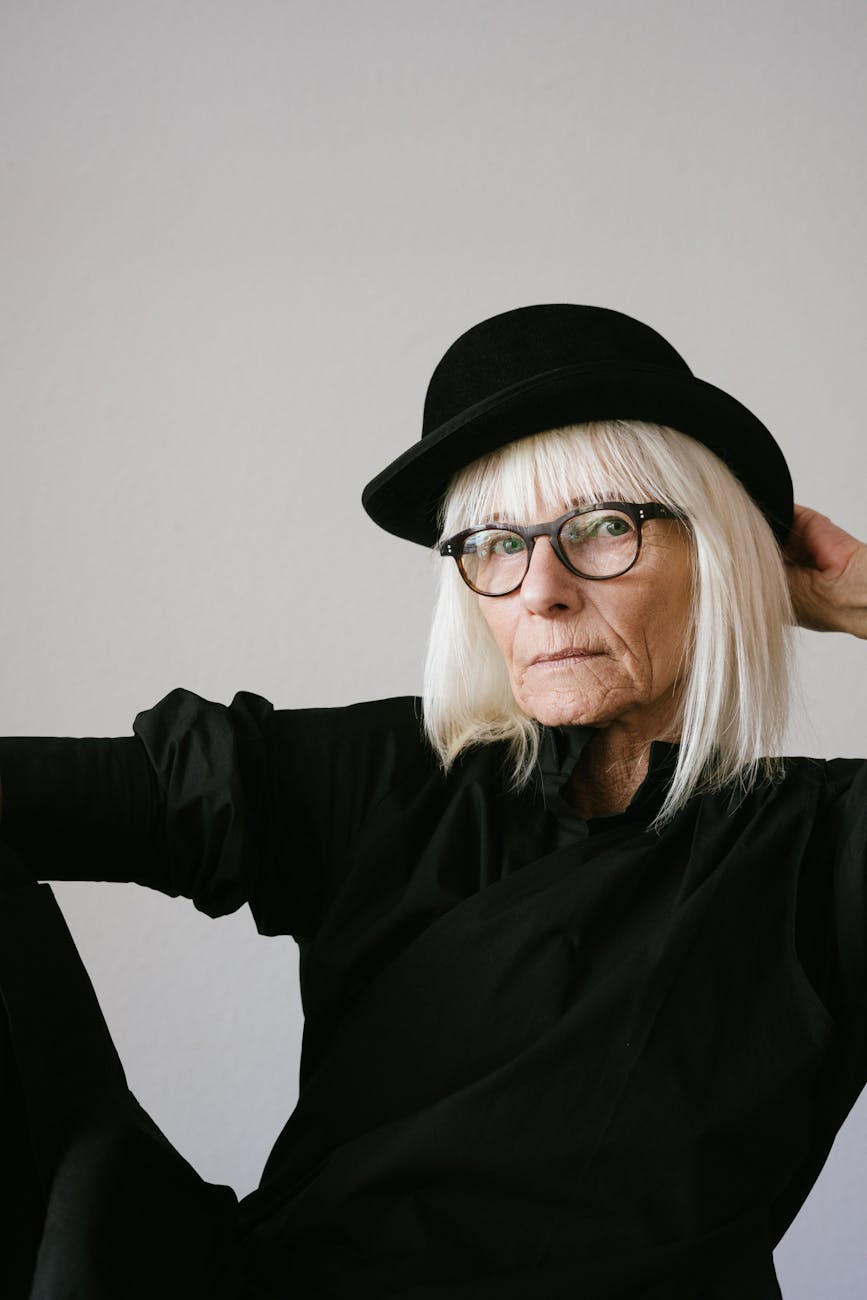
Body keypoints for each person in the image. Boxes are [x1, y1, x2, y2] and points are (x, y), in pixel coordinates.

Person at [0, 303, 865, 1300]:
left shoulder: (824, 849)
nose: (540, 588)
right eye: (495, 542)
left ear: (715, 553)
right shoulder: (390, 778)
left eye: (604, 527)